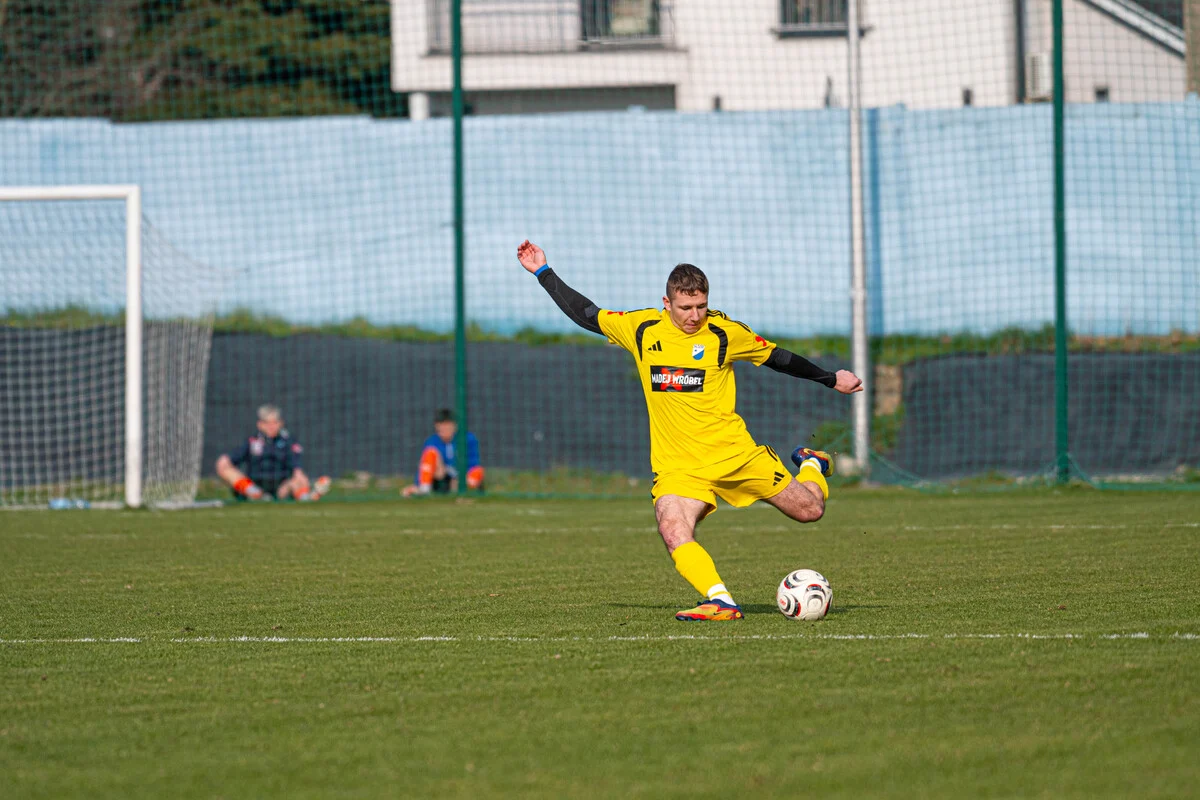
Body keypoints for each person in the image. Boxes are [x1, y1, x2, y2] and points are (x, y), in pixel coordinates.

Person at [517, 239, 863, 621]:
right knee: (671, 526)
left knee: (811, 510)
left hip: (734, 455)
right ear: (667, 303)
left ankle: (812, 463)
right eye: (686, 307)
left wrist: (831, 378)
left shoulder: (724, 333)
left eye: (701, 306)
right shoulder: (643, 329)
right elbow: (587, 314)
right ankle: (722, 601)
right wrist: (543, 272)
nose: (695, 315)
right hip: (679, 468)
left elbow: (778, 357)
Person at [215, 404, 330, 502]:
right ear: (260, 424)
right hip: (254, 484)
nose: (271, 427)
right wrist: (224, 462)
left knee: (300, 479)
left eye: (275, 422)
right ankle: (258, 495)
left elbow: (297, 466)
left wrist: (299, 475)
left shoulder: (288, 441)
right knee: (225, 468)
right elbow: (231, 459)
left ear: (281, 423)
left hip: (280, 487)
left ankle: (307, 498)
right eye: (267, 423)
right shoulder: (252, 441)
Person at [401, 408, 485, 496]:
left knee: (478, 472)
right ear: (436, 426)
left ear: (455, 425)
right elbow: (425, 465)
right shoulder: (431, 442)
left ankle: (465, 490)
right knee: (430, 453)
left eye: (448, 425)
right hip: (442, 477)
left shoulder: (468, 439)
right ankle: (424, 489)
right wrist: (417, 483)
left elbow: (474, 464)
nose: (445, 428)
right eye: (441, 425)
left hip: (463, 477)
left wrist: (460, 479)